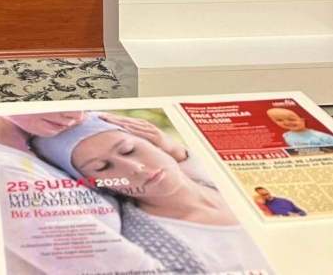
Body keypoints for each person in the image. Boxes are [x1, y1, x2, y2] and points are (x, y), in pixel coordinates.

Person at [32, 115, 271, 274]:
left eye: (129, 150)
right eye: (102, 167)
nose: (135, 168)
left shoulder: (227, 176)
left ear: (155, 141)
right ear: (96, 184)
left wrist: (177, 151)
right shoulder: (149, 250)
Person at [0, 111, 169, 274]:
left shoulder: (50, 137)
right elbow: (115, 266)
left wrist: (176, 154)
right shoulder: (2, 171)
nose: (77, 116)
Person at [266, 107, 333, 148]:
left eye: (291, 119)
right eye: (280, 120)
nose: (287, 123)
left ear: (302, 120)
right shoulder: (286, 136)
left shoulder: (323, 137)